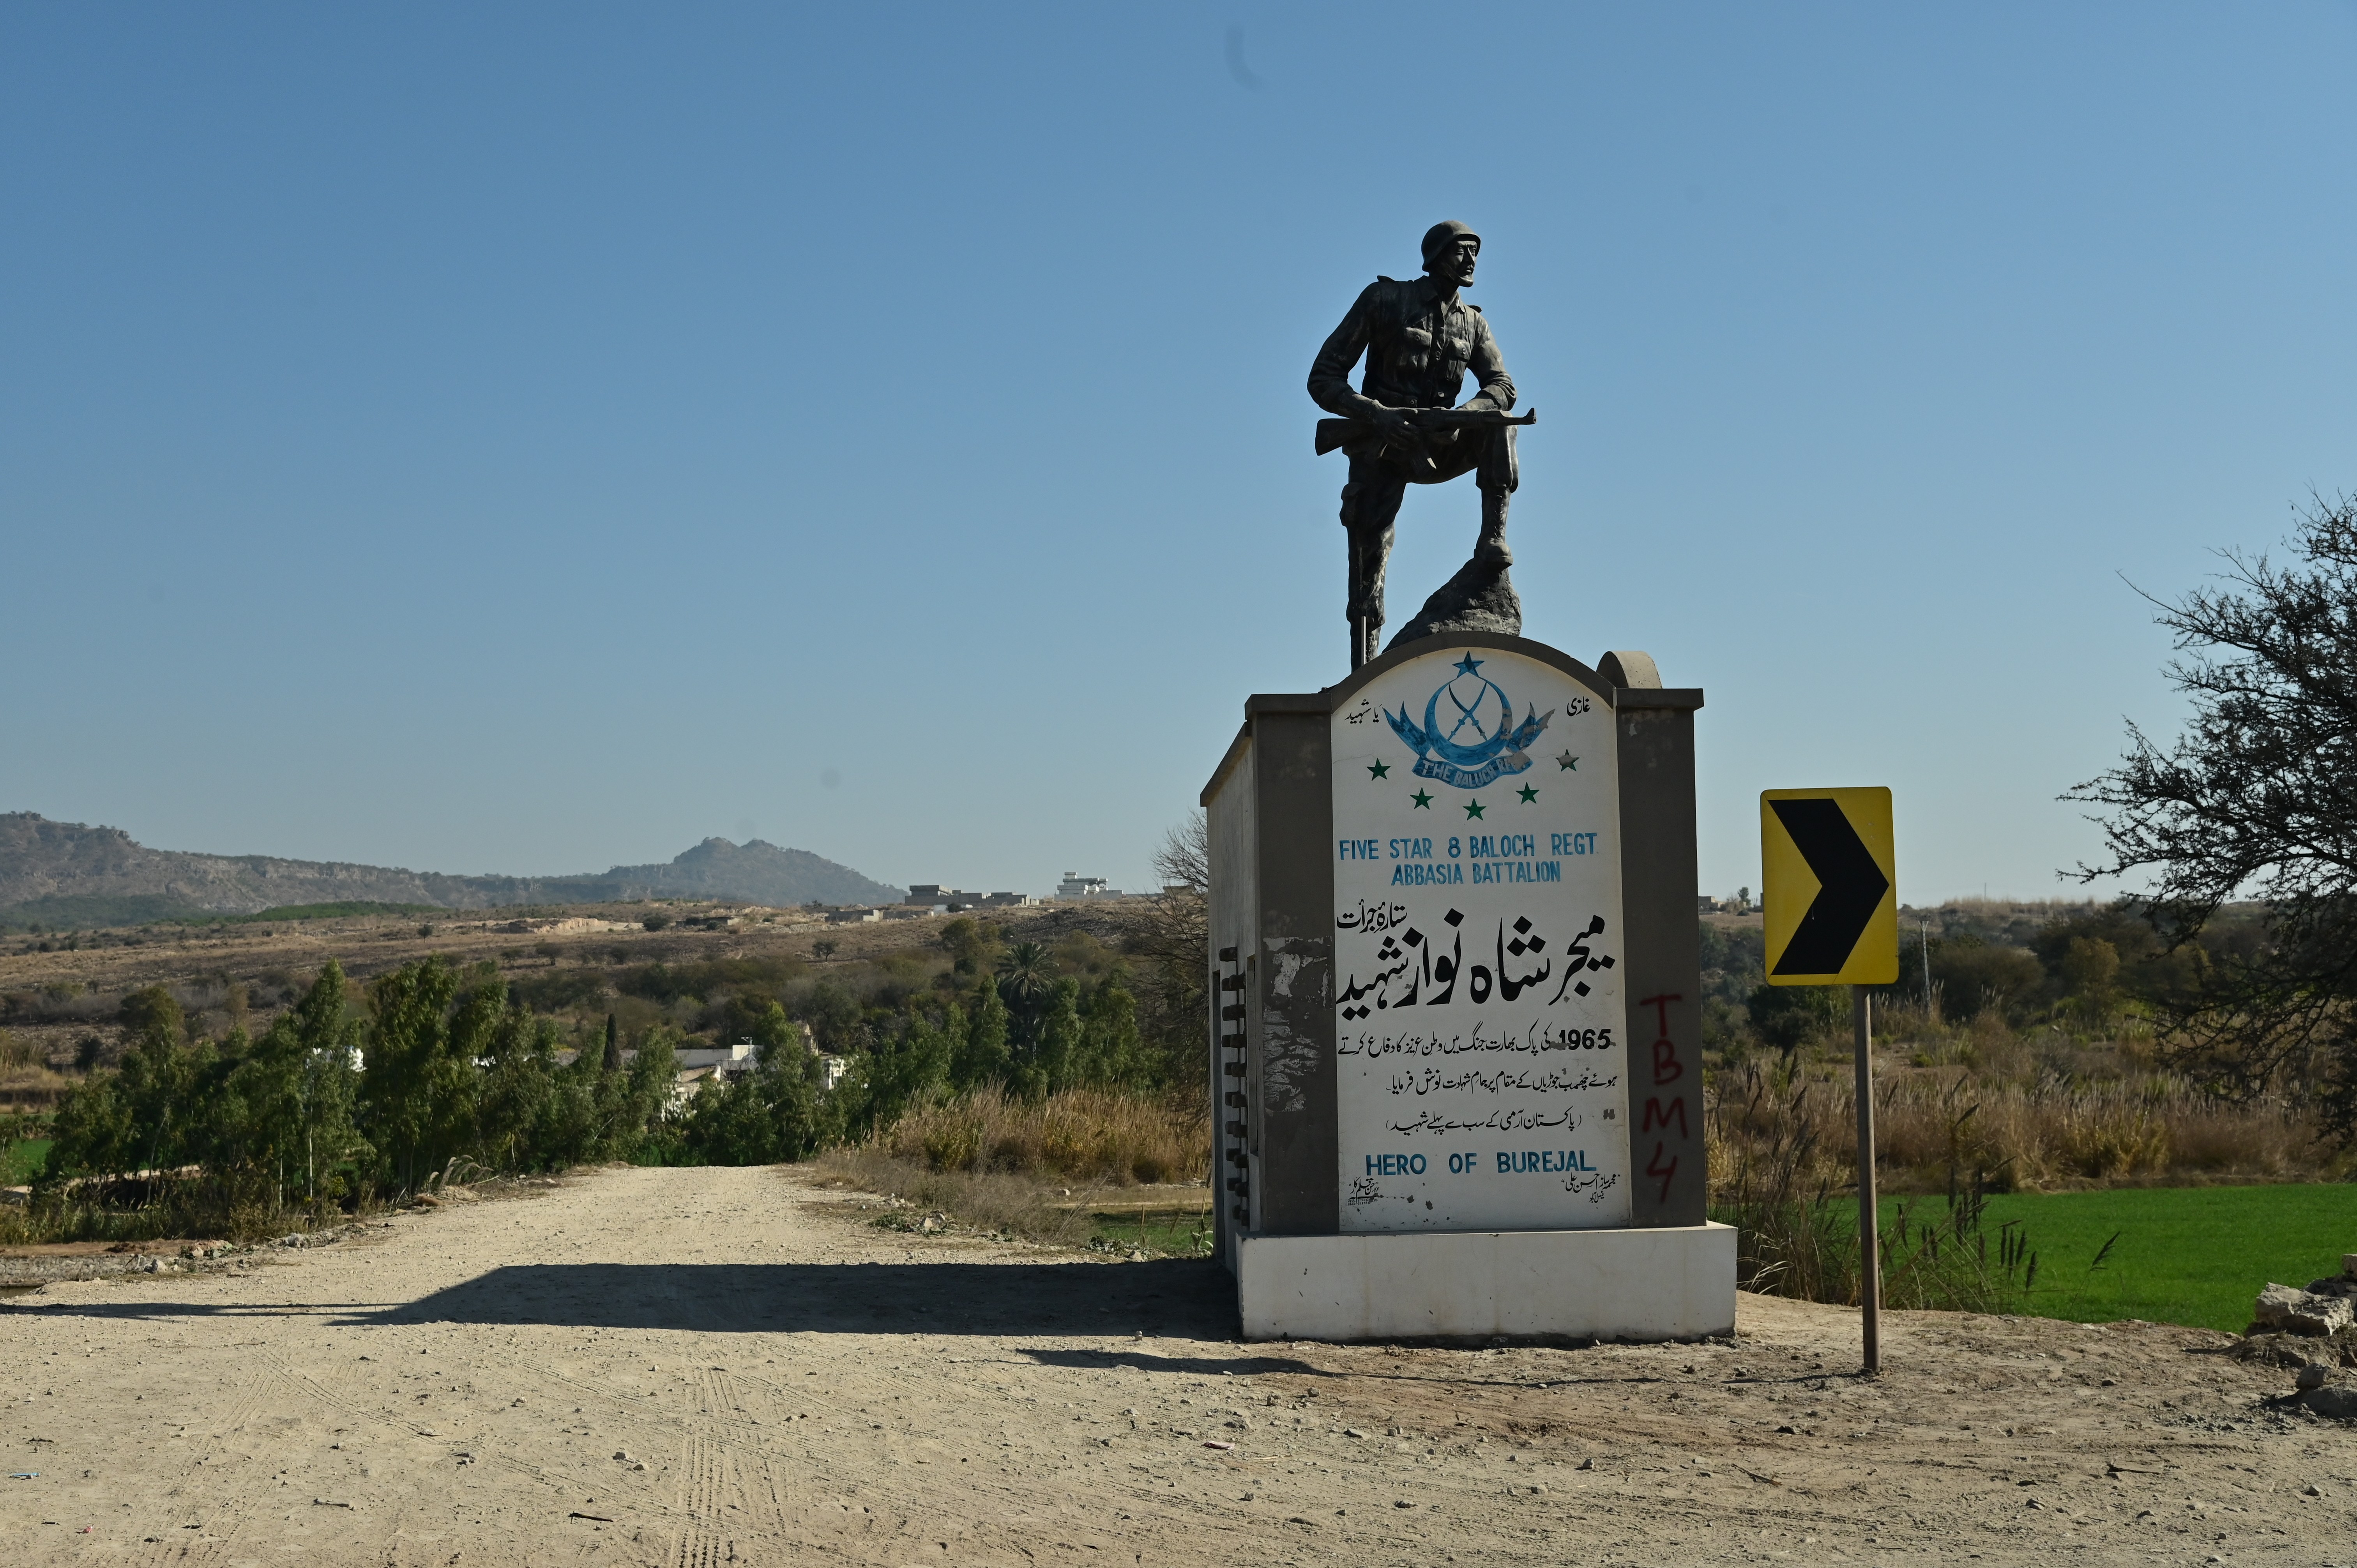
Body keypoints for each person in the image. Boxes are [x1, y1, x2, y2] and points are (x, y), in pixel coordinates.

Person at [1308, 221, 1519, 668]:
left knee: (1502, 423)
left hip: (1440, 443)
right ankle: (1362, 675)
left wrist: (1465, 415)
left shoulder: (1474, 322)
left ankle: (1493, 540)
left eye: (1475, 252)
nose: (1471, 260)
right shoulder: (1384, 300)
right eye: (1462, 250)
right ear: (1437, 255)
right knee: (1370, 558)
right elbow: (1323, 376)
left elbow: (1502, 385)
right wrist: (1376, 415)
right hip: (1381, 445)